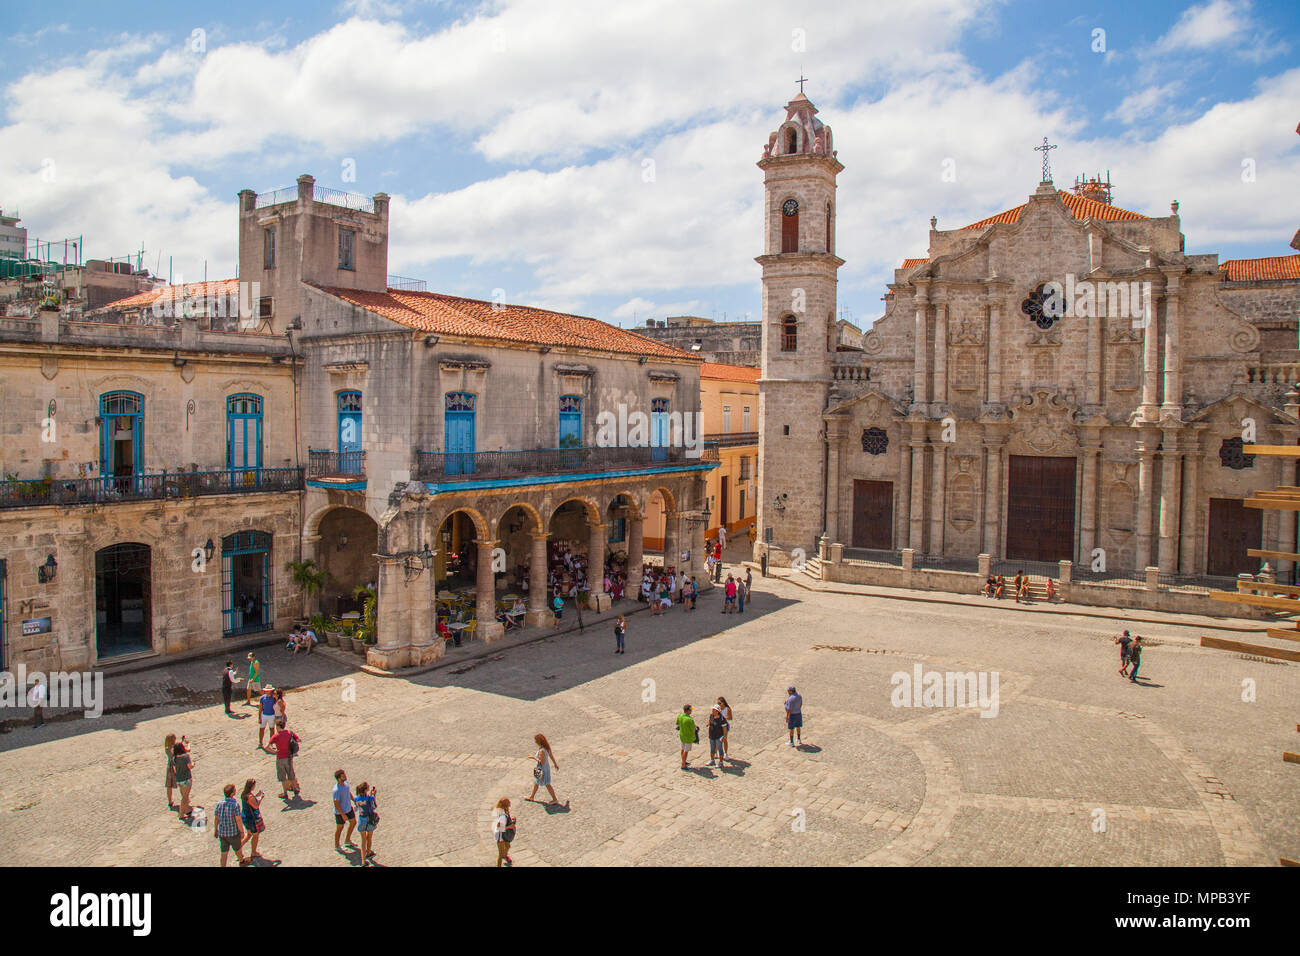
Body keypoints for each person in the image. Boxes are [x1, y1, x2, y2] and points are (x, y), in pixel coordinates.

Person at [214, 783, 249, 867]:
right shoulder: (235, 805)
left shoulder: (219, 804)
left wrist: (216, 829)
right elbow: (238, 819)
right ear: (232, 793)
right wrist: (241, 831)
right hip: (233, 832)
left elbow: (216, 818)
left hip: (223, 833)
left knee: (224, 852)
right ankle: (242, 861)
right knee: (238, 849)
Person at [268, 719, 301, 800]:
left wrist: (274, 751)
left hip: (280, 758)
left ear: (278, 727)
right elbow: (298, 740)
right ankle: (295, 788)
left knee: (282, 777)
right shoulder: (290, 733)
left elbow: (267, 746)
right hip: (289, 757)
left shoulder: (276, 736)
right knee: (291, 774)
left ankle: (285, 793)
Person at [528, 733, 561, 805]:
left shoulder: (541, 751)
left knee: (547, 784)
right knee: (536, 782)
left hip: (541, 769)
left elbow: (541, 762)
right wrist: (555, 764)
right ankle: (532, 796)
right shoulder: (547, 747)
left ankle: (555, 799)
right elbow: (551, 756)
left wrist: (533, 757)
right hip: (546, 768)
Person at [240, 779, 265, 860]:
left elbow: (252, 800)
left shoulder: (244, 794)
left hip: (245, 816)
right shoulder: (249, 796)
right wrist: (261, 798)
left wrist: (257, 795)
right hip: (251, 818)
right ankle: (253, 852)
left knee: (249, 834)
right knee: (255, 835)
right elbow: (256, 806)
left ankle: (238, 849)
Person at [334, 769, 358, 851]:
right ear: (339, 778)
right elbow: (336, 804)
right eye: (343, 776)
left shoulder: (346, 784)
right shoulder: (336, 790)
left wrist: (354, 800)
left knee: (353, 822)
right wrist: (342, 815)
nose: (345, 777)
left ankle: (347, 840)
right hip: (340, 812)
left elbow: (348, 792)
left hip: (348, 808)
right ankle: (337, 845)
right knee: (340, 828)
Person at [354, 782, 378, 864]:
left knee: (363, 841)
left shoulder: (357, 799)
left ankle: (363, 861)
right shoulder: (370, 798)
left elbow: (357, 808)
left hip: (361, 820)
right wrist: (373, 796)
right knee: (369, 837)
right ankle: (368, 852)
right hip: (369, 820)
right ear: (365, 790)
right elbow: (374, 806)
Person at [172, 737, 194, 819]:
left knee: (184, 795)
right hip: (186, 779)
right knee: (185, 797)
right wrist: (193, 763)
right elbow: (190, 766)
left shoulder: (175, 758)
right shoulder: (185, 757)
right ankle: (181, 814)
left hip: (179, 779)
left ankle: (187, 809)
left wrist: (186, 743)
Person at [494, 797, 515, 867]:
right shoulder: (502, 816)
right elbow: (499, 827)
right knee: (500, 854)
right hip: (501, 836)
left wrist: (511, 819)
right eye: (509, 802)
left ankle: (505, 855)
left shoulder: (505, 811)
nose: (510, 803)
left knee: (508, 846)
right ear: (506, 805)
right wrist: (510, 827)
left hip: (504, 834)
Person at [677, 704, 698, 770]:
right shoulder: (689, 719)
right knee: (686, 751)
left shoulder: (680, 716)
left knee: (682, 749)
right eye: (691, 709)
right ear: (688, 711)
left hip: (682, 735)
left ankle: (683, 761)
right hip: (688, 737)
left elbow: (677, 724)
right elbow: (693, 729)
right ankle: (683, 765)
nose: (691, 711)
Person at [164, 733, 178, 810]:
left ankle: (170, 801)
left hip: (171, 767)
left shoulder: (168, 748)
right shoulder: (169, 749)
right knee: (170, 785)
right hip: (173, 767)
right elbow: (173, 755)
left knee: (169, 785)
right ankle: (170, 800)